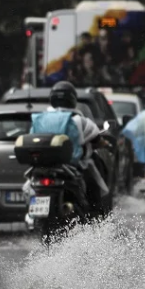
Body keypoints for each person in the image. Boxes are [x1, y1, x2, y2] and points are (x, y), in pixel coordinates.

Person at [31, 81, 109, 209]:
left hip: (42, 166)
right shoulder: (79, 119)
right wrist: (104, 144)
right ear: (72, 99)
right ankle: (95, 212)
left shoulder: (39, 118)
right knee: (94, 174)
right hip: (72, 165)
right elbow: (96, 139)